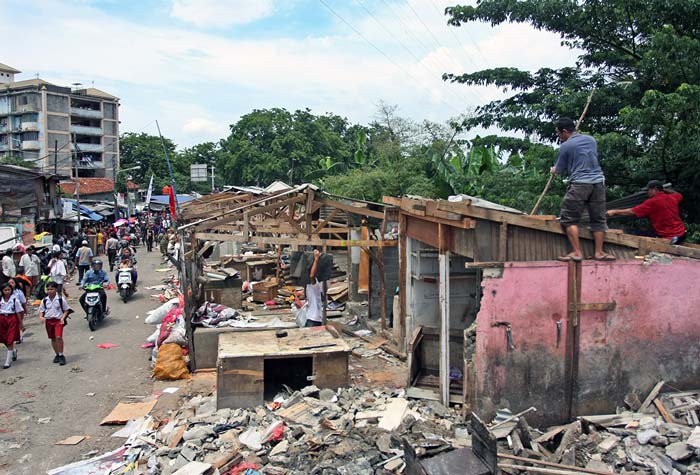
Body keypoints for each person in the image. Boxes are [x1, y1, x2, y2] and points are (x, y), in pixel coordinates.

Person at [551, 117, 615, 261]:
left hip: (580, 184)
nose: (559, 137)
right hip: (598, 182)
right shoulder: (591, 140)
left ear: (565, 131)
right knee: (598, 219)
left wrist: (553, 170)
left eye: (558, 134)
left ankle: (577, 252)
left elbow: (560, 170)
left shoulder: (566, 146)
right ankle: (599, 252)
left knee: (569, 218)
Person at [607, 180, 686, 244]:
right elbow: (678, 194)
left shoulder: (652, 202)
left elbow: (632, 211)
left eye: (649, 190)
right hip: (681, 233)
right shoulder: (673, 197)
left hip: (669, 236)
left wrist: (614, 211)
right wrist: (663, 189)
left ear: (655, 189)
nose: (647, 192)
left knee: (630, 232)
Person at [39, 282, 71, 366]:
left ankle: (61, 355)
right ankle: (57, 354)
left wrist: (63, 318)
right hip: (49, 321)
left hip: (58, 321)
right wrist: (41, 317)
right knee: (53, 338)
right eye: (48, 289)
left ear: (56, 289)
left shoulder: (60, 299)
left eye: (51, 289)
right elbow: (41, 311)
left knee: (58, 337)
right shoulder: (45, 300)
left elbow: (67, 309)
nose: (49, 291)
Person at [293, 249, 324, 327]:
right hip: (310, 317)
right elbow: (309, 301)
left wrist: (316, 259)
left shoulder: (315, 284)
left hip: (314, 319)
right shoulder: (308, 286)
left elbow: (312, 275)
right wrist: (300, 302)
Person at [0, 283, 22, 368]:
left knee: (10, 339)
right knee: (4, 338)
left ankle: (7, 361)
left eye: (9, 290)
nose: (7, 292)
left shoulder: (14, 300)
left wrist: (21, 324)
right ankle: (13, 350)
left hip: (12, 319)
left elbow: (18, 312)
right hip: (2, 319)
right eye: (5, 290)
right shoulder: (0, 300)